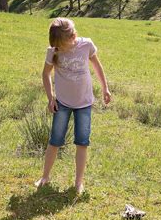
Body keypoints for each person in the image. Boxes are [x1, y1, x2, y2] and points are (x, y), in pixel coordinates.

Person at [34, 17, 111, 195]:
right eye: (56, 47)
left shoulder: (86, 45)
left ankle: (78, 183)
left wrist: (105, 88)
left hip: (84, 104)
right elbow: (45, 74)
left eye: (61, 46)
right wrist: (50, 97)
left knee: (82, 142)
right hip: (62, 103)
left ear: (73, 37)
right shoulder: (53, 51)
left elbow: (97, 66)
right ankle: (45, 177)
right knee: (55, 141)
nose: (58, 49)